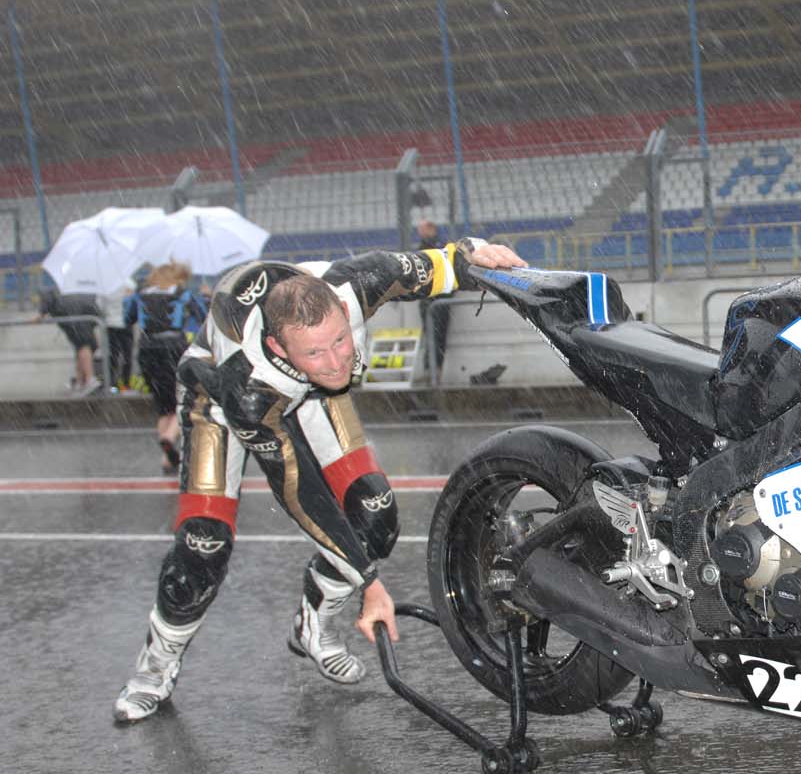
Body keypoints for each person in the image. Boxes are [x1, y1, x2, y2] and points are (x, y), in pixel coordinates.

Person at [113, 237, 528, 723]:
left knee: (376, 518)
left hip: (312, 396)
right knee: (203, 546)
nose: (336, 362)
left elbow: (447, 261)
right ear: (277, 346)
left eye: (341, 340)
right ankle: (154, 667)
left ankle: (313, 621)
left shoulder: (359, 281)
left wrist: (482, 253)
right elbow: (300, 493)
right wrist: (369, 583)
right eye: (317, 351)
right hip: (218, 404)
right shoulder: (249, 385)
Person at [125, 261, 208, 474]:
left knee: (163, 406)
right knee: (185, 400)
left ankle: (167, 458)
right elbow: (204, 317)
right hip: (174, 349)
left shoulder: (141, 294)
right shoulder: (182, 293)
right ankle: (169, 438)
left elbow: (127, 319)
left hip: (146, 350)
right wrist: (206, 296)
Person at [34, 287, 104, 396]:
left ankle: (89, 379)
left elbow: (47, 300)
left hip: (76, 320)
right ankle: (80, 382)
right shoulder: (83, 294)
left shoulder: (50, 292)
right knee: (82, 348)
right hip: (81, 318)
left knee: (83, 347)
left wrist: (40, 315)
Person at [415, 220, 451, 381]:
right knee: (433, 335)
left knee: (437, 335)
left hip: (436, 297)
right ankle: (432, 371)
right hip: (432, 298)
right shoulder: (433, 247)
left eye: (422, 229)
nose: (420, 232)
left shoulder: (438, 248)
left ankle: (434, 371)